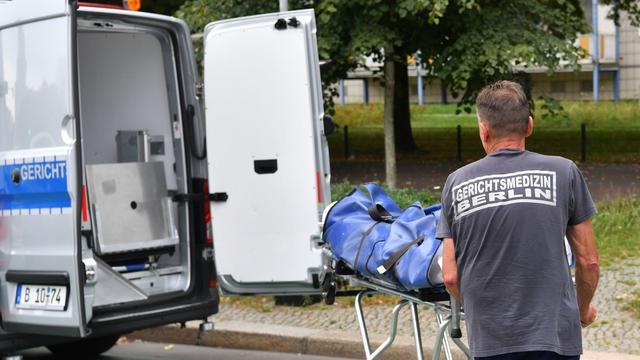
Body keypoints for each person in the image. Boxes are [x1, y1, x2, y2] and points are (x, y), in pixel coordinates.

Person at [436, 80, 600, 360]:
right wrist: (581, 309)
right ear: (529, 126)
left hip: (492, 341)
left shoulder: (457, 182)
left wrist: (482, 313)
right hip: (555, 337)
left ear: (484, 130)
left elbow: (450, 276)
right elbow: (589, 261)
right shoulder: (564, 172)